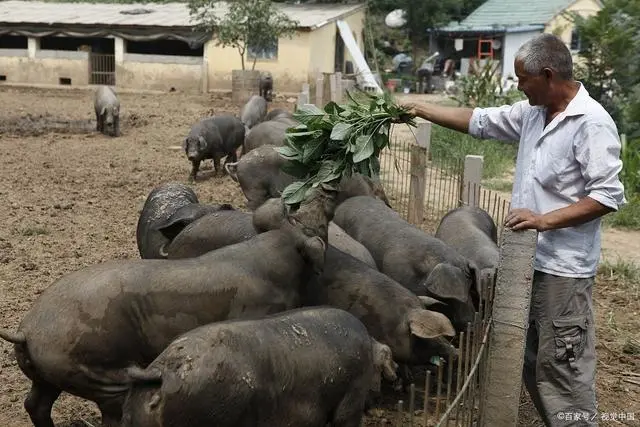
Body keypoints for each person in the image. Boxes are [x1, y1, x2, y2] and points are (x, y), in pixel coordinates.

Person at [402, 33, 626, 426]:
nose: (519, 86)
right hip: (526, 262)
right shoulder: (532, 114)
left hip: (563, 270)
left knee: (562, 365)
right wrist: (417, 107)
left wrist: (544, 220)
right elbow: (478, 121)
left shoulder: (591, 123)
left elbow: (607, 196)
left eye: (523, 78)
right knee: (528, 356)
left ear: (548, 74)